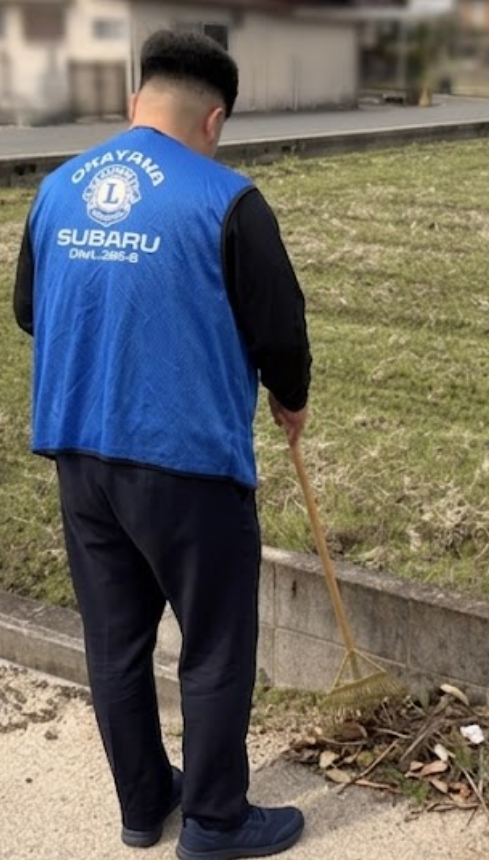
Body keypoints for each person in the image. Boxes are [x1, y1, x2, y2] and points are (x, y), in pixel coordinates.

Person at [13, 29, 311, 860]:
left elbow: (30, 313)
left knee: (116, 640)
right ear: (214, 119)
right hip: (186, 462)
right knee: (215, 643)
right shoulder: (228, 199)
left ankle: (143, 806)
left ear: (132, 102)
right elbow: (281, 328)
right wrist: (292, 398)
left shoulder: (59, 189)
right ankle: (216, 821)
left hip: (80, 453)